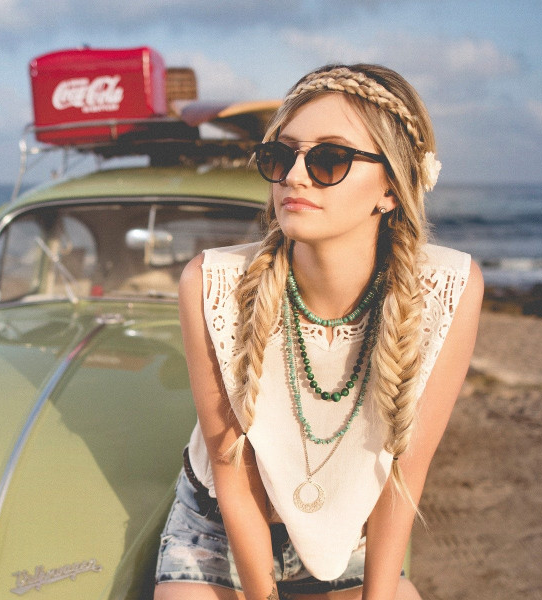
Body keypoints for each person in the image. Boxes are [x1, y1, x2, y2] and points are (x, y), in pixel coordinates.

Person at [154, 63, 483, 600]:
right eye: (282, 155)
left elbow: (407, 471)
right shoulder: (213, 283)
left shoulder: (448, 289)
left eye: (330, 158)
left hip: (351, 532)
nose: (295, 175)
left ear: (391, 190)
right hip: (218, 530)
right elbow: (230, 469)